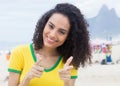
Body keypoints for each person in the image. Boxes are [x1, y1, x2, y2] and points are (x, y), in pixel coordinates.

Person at [8, 3, 91, 86]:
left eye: (61, 32)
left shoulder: (69, 63)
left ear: (70, 36)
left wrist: (66, 82)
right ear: (44, 24)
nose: (52, 34)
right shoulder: (20, 53)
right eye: (51, 26)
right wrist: (27, 78)